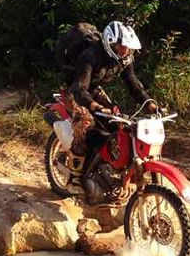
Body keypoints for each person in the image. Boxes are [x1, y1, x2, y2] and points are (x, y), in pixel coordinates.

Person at [63, 21, 158, 202]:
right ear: (110, 43)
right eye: (122, 47)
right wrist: (93, 106)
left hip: (93, 88)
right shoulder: (90, 55)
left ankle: (105, 164)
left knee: (118, 122)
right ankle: (74, 176)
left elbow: (132, 82)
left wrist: (149, 103)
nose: (125, 52)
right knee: (84, 122)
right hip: (74, 88)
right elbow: (80, 87)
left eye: (128, 49)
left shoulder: (124, 59)